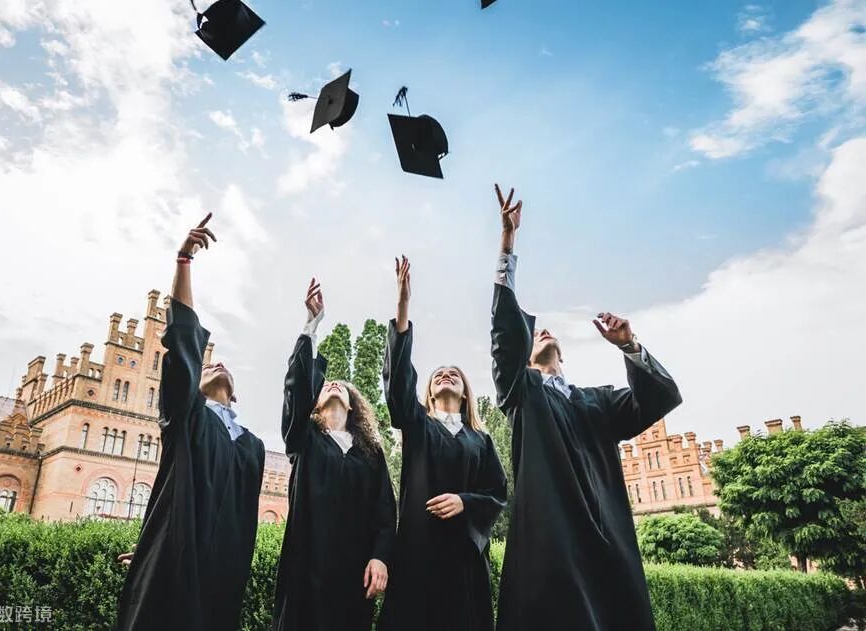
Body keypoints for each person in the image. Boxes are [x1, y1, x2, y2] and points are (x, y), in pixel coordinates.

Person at [489, 185, 683, 631]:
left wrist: (630, 345)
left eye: (548, 333)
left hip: (604, 540)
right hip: (551, 541)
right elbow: (504, 336)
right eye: (535, 335)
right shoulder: (523, 395)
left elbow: (659, 397)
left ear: (563, 352)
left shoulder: (597, 401)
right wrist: (507, 245)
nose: (542, 332)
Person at [116, 214, 266, 631]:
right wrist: (184, 261)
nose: (216, 364)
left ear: (235, 394)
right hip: (177, 560)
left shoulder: (251, 445)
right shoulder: (187, 417)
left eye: (223, 366)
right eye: (206, 366)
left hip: (223, 571)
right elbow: (182, 342)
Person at [378, 256, 507, 631]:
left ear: (465, 393)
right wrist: (403, 306)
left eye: (454, 374)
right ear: (429, 393)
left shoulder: (480, 440)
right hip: (417, 552)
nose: (446, 375)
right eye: (438, 375)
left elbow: (498, 493)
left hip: (464, 560)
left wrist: (465, 501)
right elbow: (398, 385)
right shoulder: (417, 424)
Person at [272, 278, 397, 631]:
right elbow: (296, 389)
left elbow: (385, 514)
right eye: (326, 384)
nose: (333, 384)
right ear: (313, 404)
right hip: (305, 571)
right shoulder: (305, 439)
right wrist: (311, 325)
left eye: (341, 386)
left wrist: (380, 557)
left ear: (354, 405)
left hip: (353, 577)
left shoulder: (370, 453)